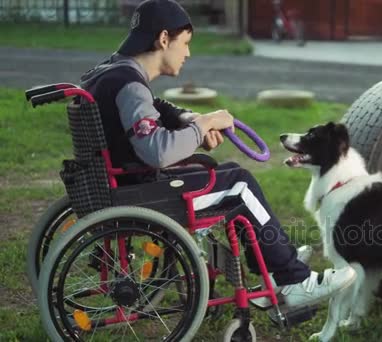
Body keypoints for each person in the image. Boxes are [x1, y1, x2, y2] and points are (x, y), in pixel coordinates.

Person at [79, 0, 355, 310]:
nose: (188, 53)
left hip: (122, 184)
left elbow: (158, 110)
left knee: (230, 178)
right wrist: (204, 126)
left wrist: (194, 119)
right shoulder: (130, 85)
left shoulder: (111, 72)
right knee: (239, 184)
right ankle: (292, 279)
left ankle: (277, 260)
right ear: (164, 39)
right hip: (142, 194)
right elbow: (157, 150)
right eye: (185, 44)